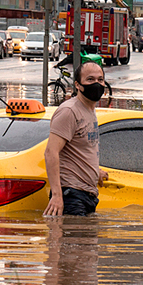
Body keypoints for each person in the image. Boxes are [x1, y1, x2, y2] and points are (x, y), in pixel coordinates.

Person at [44, 61, 109, 216]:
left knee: (86, 240)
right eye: (90, 79)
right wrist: (58, 196)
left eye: (100, 80)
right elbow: (50, 153)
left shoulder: (89, 109)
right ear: (78, 85)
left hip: (86, 195)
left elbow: (79, 148)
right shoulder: (69, 111)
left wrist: (94, 172)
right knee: (76, 240)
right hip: (71, 196)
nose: (96, 84)